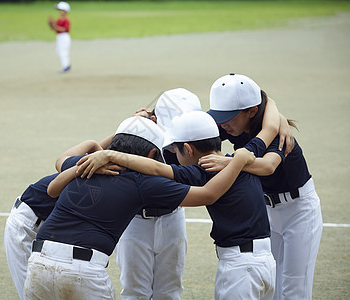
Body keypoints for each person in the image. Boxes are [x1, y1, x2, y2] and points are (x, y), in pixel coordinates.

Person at [22, 116, 256, 299]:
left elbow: (55, 181)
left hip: (38, 262)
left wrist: (95, 148)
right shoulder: (143, 182)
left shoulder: (86, 164)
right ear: (152, 154)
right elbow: (208, 194)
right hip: (84, 271)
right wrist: (239, 160)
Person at [77, 111, 277, 300]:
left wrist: (111, 155)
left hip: (240, 266)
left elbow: (157, 168)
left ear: (188, 149)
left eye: (175, 151)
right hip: (266, 260)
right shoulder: (246, 156)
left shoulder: (202, 171)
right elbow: (270, 129)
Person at [203, 73, 323, 300]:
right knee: (273, 287)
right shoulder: (232, 127)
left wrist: (228, 162)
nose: (223, 123)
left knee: (294, 290)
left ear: (252, 111)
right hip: (266, 210)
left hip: (299, 210)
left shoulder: (277, 131)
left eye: (229, 116)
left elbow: (268, 166)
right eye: (220, 116)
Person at [4, 136, 113, 299]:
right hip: (24, 226)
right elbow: (88, 148)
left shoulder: (97, 165)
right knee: (30, 294)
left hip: (45, 229)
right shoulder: (91, 165)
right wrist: (99, 145)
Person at [118, 88, 202, 299]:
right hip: (135, 220)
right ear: (153, 119)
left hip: (172, 217)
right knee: (133, 291)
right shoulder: (135, 135)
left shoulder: (196, 135)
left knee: (170, 291)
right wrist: (134, 124)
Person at [48, 1, 71, 73]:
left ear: (65, 11)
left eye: (61, 10)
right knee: (58, 51)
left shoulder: (66, 20)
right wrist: (51, 23)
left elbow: (64, 29)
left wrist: (54, 25)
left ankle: (66, 66)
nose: (60, 12)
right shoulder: (59, 19)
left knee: (63, 52)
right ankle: (67, 65)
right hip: (59, 37)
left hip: (64, 36)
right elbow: (54, 28)